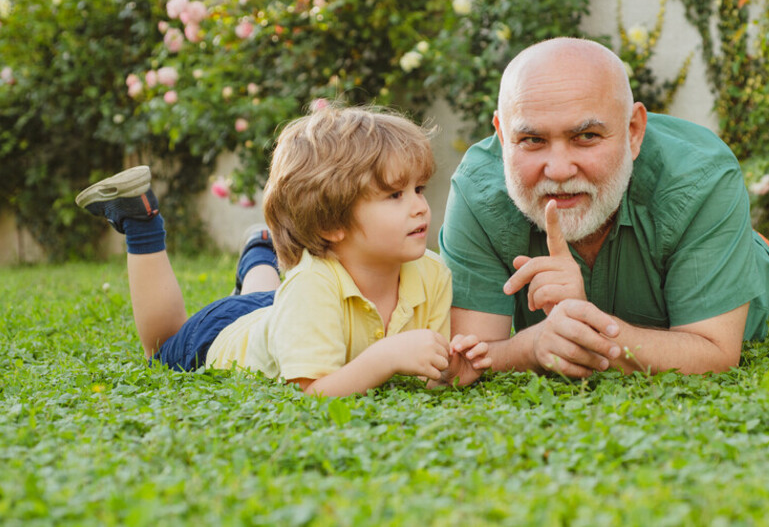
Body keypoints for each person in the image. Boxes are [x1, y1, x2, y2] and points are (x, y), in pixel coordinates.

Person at [438, 37, 769, 379]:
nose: (559, 169)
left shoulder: (699, 177)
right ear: (501, 135)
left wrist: (585, 327)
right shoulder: (478, 192)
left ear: (633, 132)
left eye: (586, 136)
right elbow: (475, 356)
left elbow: (713, 351)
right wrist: (534, 346)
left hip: (751, 290)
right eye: (532, 140)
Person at [77, 105, 491, 395]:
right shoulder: (311, 287)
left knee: (275, 296)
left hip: (280, 311)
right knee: (162, 345)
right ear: (330, 224)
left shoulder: (432, 274)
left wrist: (450, 370)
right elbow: (313, 392)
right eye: (395, 195)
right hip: (221, 335)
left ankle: (260, 251)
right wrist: (385, 357)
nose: (420, 206)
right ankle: (142, 223)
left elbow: (422, 375)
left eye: (419, 189)